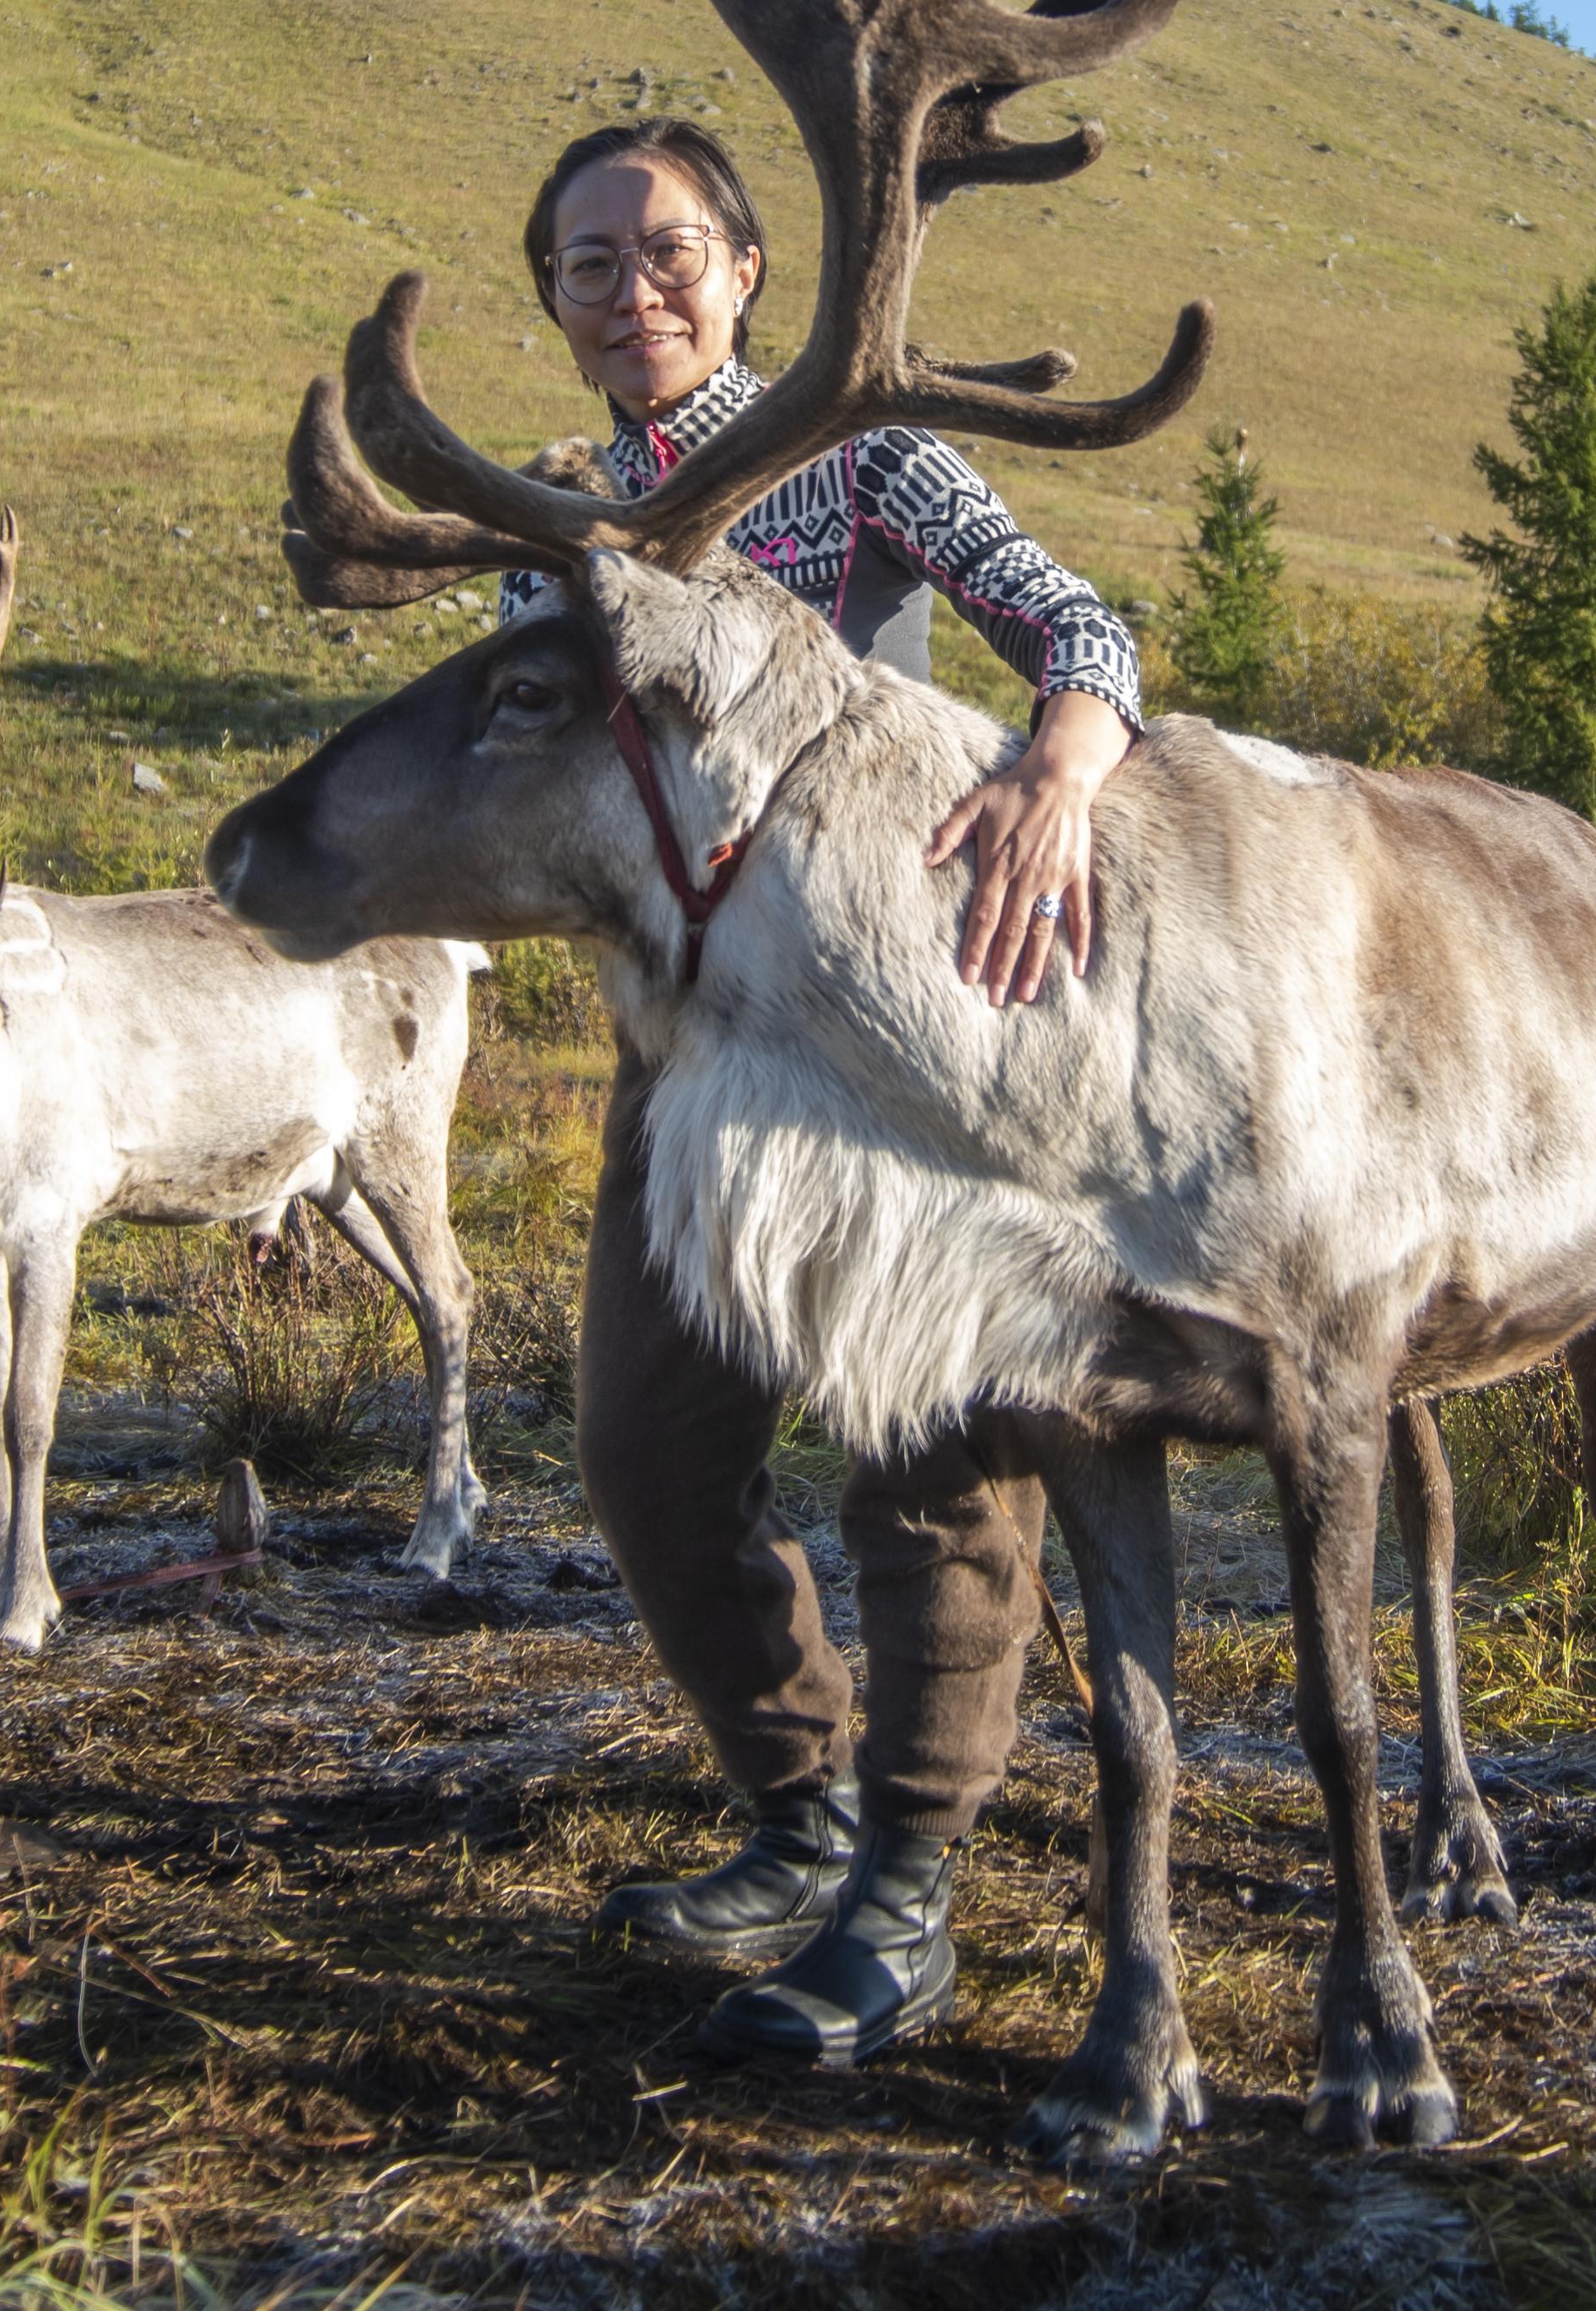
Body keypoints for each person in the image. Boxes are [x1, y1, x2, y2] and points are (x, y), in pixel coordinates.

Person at [496, 115, 1138, 2067]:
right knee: (643, 1451)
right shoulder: (555, 521)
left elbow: (1083, 629)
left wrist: (1057, 769)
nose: (633, 290)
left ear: (750, 266)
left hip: (885, 1047)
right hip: (680, 1052)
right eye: (586, 265)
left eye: (666, 247)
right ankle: (798, 1810)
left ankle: (909, 1895)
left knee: (923, 1475)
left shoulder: (859, 461)